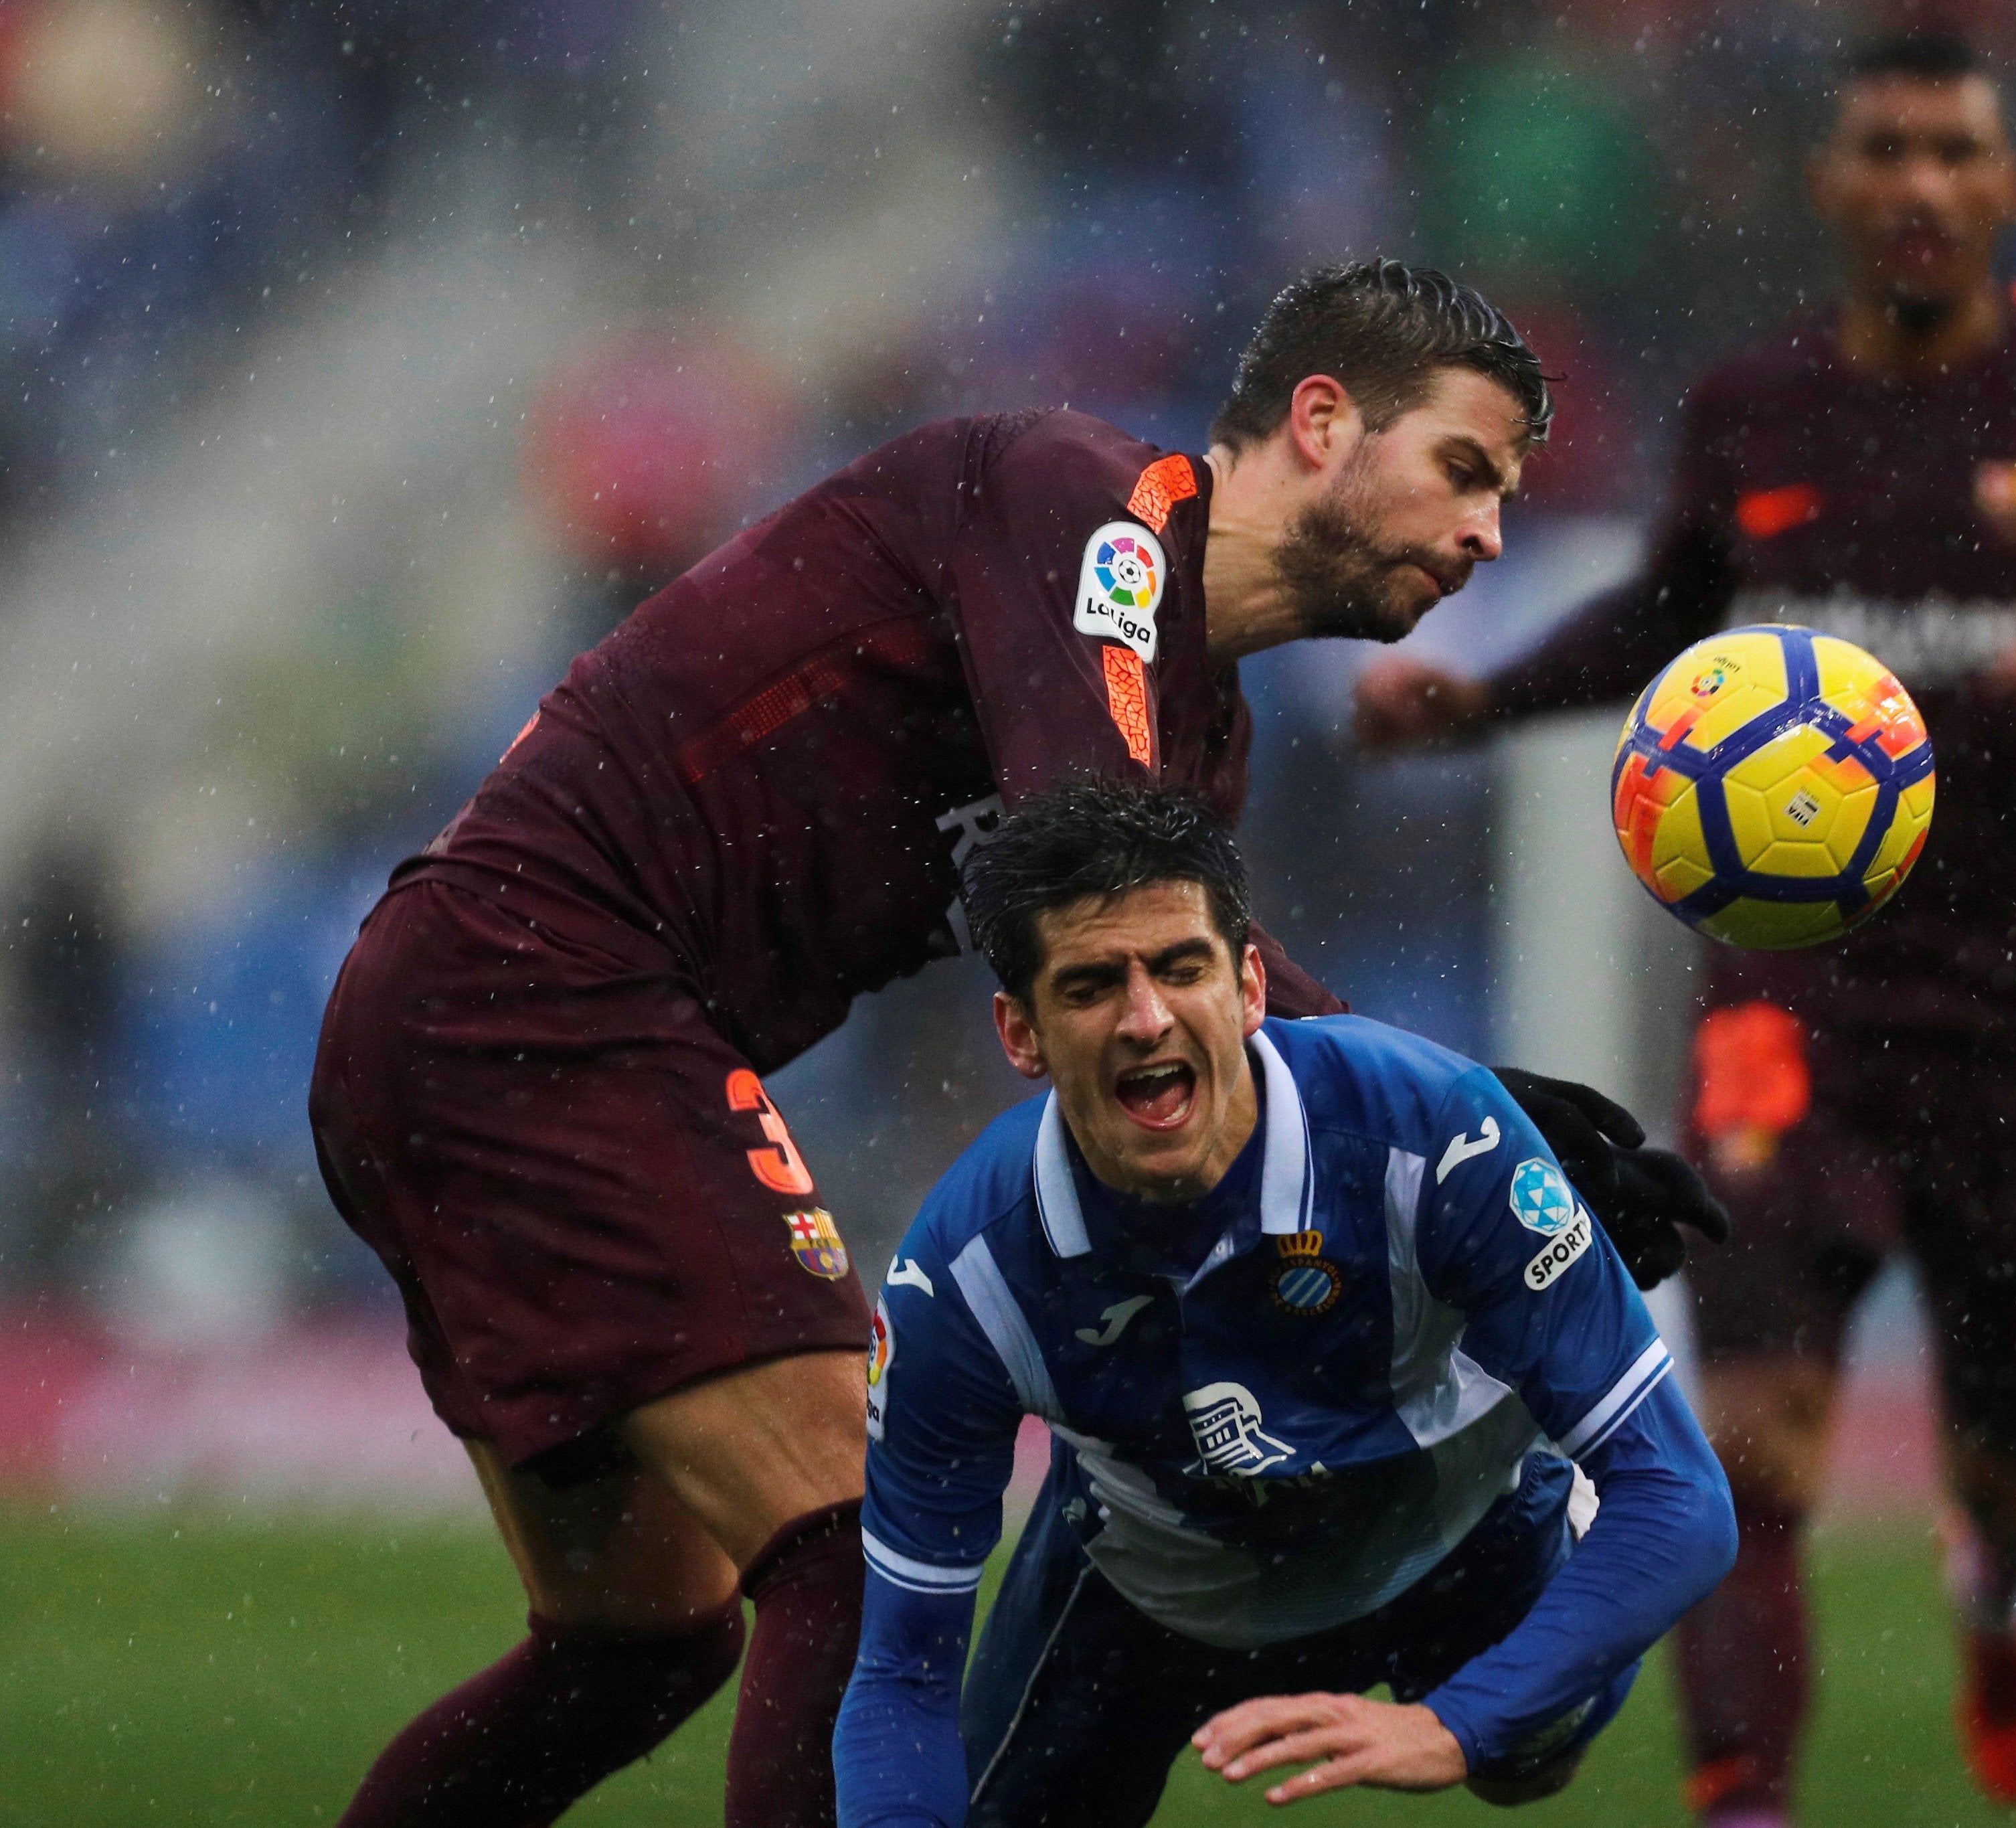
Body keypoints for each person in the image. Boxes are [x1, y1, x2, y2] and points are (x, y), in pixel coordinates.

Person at [311, 260, 1721, 1828]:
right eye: (1464, 470)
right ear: (1322, 421)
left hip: (466, 1015)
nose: (1487, 532)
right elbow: (1096, 869)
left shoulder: (1207, 743)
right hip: (539, 991)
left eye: (1507, 496)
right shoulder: (1089, 513)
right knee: (851, 1540)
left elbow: (1161, 976)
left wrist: (1474, 1152)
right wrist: (1476, 1115)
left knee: (637, 1643)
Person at [1355, 35, 2016, 1816]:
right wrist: (1480, 706)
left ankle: (2011, 1592)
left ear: (2007, 184)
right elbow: (1663, 609)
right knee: (1755, 1439)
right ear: (1834, 182)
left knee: (2015, 1465)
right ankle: (1747, 1798)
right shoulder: (1754, 407)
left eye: (1955, 151)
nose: (1920, 185)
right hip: (1787, 1002)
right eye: (1885, 149)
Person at [834, 782, 1736, 1826]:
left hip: (1465, 1539)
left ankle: (1536, 1542)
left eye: (1181, 968)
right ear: (1019, 1033)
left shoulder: (1437, 1135)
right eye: (1088, 987)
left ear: (1251, 986)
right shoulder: (962, 1278)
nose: (1145, 1018)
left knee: (1523, 1760)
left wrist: (1456, 1724)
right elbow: (900, 1674)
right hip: (1149, 1587)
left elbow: (1679, 1497)